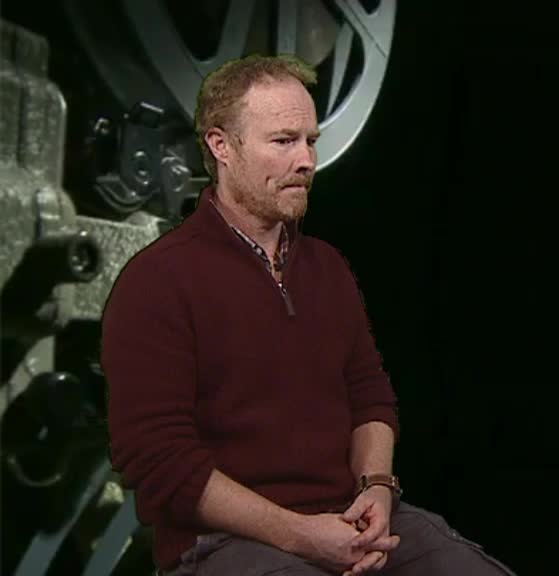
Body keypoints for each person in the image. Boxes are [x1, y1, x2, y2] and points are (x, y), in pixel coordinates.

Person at [102, 54, 514, 576]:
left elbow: (370, 398)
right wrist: (301, 535)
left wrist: (376, 489)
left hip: (347, 517)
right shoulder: (157, 280)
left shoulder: (327, 267)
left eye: (310, 141)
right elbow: (160, 462)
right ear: (221, 146)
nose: (306, 160)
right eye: (283, 141)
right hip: (225, 544)